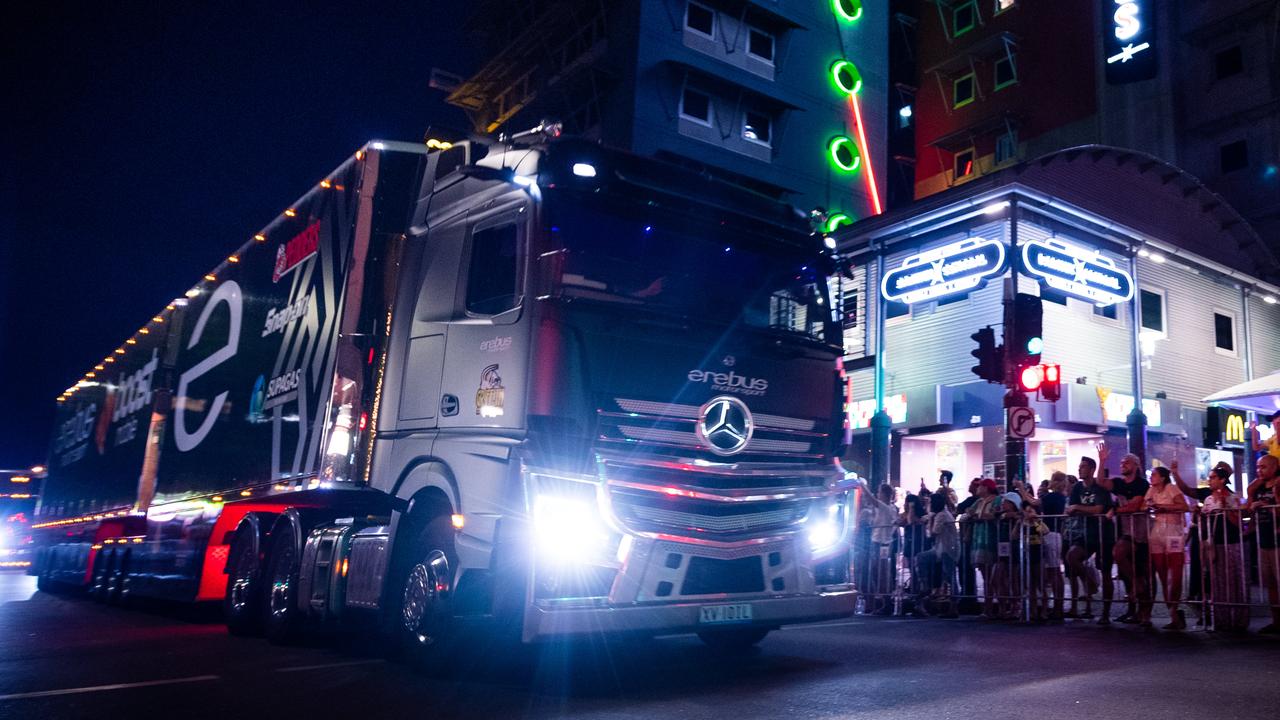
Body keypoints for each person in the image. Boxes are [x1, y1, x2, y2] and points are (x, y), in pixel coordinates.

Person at [1098, 446, 1152, 626]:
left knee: (1144, 570)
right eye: (1121, 462)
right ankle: (1134, 602)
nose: (1123, 465)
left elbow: (1135, 506)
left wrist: (1115, 510)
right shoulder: (1119, 483)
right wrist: (1102, 460)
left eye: (1126, 462)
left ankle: (1145, 612)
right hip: (1126, 531)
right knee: (1122, 558)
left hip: (1142, 532)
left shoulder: (1142, 484)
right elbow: (1101, 482)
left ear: (1135, 465)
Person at [1065, 454, 1116, 623]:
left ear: (1092, 469)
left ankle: (1106, 613)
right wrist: (1083, 509)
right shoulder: (1077, 488)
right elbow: (1069, 510)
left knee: (1106, 571)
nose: (1080, 469)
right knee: (1072, 556)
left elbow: (1099, 509)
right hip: (1085, 532)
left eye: (1083, 467)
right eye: (1079, 467)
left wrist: (1079, 508)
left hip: (1104, 532)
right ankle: (1090, 582)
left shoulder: (1099, 487)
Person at [1202, 467, 1248, 632]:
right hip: (1216, 544)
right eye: (1210, 477)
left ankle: (1239, 619)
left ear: (1222, 480)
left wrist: (1225, 507)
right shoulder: (1207, 499)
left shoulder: (1233, 497)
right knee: (1218, 581)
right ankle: (1221, 618)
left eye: (1213, 477)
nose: (1210, 480)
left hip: (1233, 542)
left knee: (1236, 580)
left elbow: (1238, 523)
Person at [1144, 465, 1189, 629]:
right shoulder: (1151, 491)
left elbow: (1184, 506)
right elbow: (1144, 506)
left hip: (1172, 531)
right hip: (1157, 532)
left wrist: (1164, 507)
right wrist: (1148, 506)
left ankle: (1175, 608)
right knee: (1162, 573)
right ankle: (1173, 613)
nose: (1152, 477)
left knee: (1175, 574)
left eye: (1154, 475)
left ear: (1163, 477)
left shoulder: (1171, 488)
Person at [1246, 454, 1280, 634]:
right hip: (1263, 539)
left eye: (1263, 467)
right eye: (1258, 467)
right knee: (1270, 583)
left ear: (1274, 467)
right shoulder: (1258, 487)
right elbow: (1248, 507)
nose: (1259, 470)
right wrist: (1252, 495)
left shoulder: (1278, 485)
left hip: (1277, 540)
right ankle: (1276, 621)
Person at [962, 479, 1000, 619]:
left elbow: (995, 515)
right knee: (985, 575)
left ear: (987, 487)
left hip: (989, 539)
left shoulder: (996, 500)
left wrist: (979, 515)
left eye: (981, 486)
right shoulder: (978, 501)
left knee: (992, 575)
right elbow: (968, 511)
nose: (978, 488)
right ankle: (988, 607)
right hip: (978, 539)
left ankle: (995, 605)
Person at [919, 492, 960, 618]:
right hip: (941, 548)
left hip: (947, 549)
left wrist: (929, 520)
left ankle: (953, 606)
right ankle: (925, 586)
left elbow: (933, 532)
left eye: (930, 502)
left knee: (950, 576)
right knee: (922, 558)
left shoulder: (942, 515)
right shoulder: (940, 514)